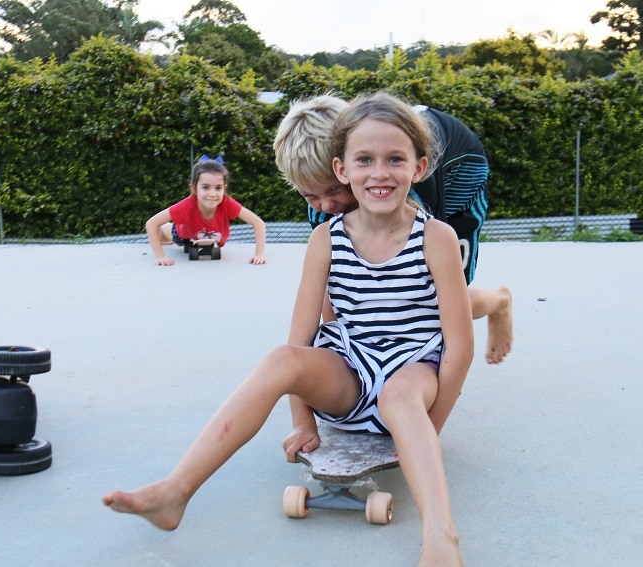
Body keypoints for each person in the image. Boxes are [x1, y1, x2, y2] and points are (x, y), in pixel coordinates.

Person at [103, 91, 472, 567]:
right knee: (282, 357)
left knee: (404, 388)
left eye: (394, 160)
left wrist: (427, 429)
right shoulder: (326, 237)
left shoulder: (435, 237)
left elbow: (458, 347)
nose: (379, 172)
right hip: (353, 372)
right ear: (343, 169)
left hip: (411, 374)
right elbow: (302, 340)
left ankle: (441, 538)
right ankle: (175, 491)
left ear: (419, 168)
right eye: (364, 160)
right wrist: (303, 423)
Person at [274, 94, 512, 364]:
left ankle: (499, 302)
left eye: (336, 189)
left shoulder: (402, 181)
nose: (326, 204)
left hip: (461, 172)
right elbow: (338, 285)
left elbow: (441, 291)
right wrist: (348, 360)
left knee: (442, 301)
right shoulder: (324, 204)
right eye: (311, 196)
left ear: (345, 169)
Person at [145, 156, 267, 265]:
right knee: (173, 234)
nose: (212, 194)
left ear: (224, 189)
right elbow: (151, 223)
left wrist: (259, 254)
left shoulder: (227, 203)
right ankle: (165, 228)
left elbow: (258, 223)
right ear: (194, 189)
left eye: (218, 188)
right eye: (205, 187)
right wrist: (160, 256)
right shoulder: (187, 205)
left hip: (208, 237)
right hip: (185, 234)